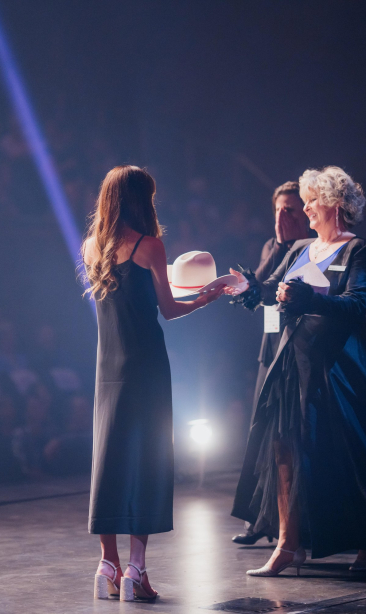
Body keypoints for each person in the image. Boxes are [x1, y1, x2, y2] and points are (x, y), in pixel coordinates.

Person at [227, 166, 366, 577]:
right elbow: (271, 291)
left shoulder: (360, 251)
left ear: (333, 203)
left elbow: (356, 304)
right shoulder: (300, 250)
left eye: (312, 200)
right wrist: (248, 288)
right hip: (293, 366)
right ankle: (286, 545)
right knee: (283, 449)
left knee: (353, 454)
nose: (307, 207)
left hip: (339, 371)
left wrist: (308, 297)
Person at [83, 165, 224, 601]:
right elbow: (169, 309)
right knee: (147, 462)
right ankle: (136, 571)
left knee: (107, 462)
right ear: (142, 200)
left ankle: (108, 565)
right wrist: (209, 295)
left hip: (107, 368)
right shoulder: (150, 247)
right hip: (145, 367)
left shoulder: (91, 247)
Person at [233, 181, 309, 546]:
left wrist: (291, 246)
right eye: (278, 210)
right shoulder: (272, 245)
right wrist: (279, 245)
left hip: (297, 349)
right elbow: (259, 286)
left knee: (286, 439)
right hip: (270, 342)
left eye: (291, 210)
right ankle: (256, 520)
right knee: (259, 430)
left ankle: (290, 525)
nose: (283, 217)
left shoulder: (310, 249)